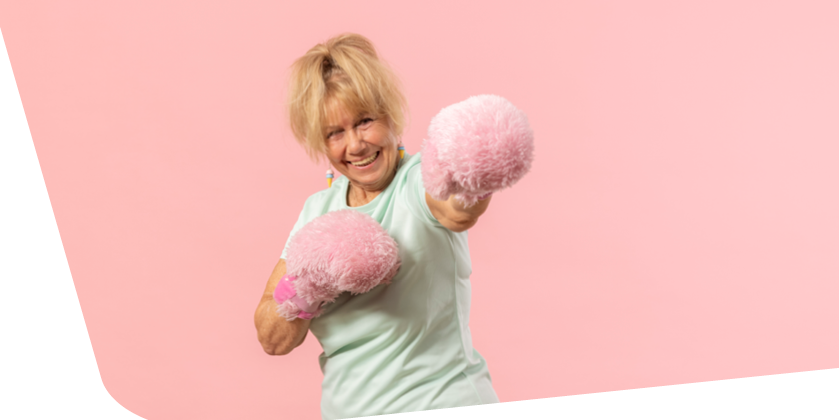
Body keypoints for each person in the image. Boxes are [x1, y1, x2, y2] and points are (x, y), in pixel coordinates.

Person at [253, 33, 499, 419]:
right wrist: (308, 286)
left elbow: (457, 211)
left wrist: (474, 171)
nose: (355, 145)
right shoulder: (317, 212)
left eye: (365, 121)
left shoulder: (417, 180)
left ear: (390, 117)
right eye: (335, 132)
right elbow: (273, 339)